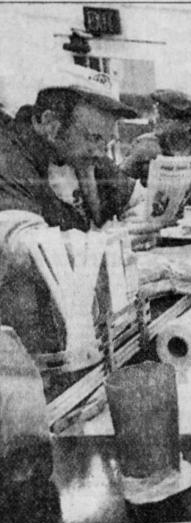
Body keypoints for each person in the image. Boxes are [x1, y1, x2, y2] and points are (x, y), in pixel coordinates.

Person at [0, 64, 144, 355]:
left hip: (84, 322)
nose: (99, 151)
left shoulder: (83, 152)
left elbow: (140, 201)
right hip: (28, 341)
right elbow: (26, 250)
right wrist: (111, 246)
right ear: (51, 123)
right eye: (93, 138)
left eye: (105, 141)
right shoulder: (9, 156)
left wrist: (124, 233)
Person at [120, 89, 191, 207]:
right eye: (156, 113)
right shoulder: (144, 145)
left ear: (186, 124)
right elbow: (119, 183)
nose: (156, 120)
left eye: (164, 117)